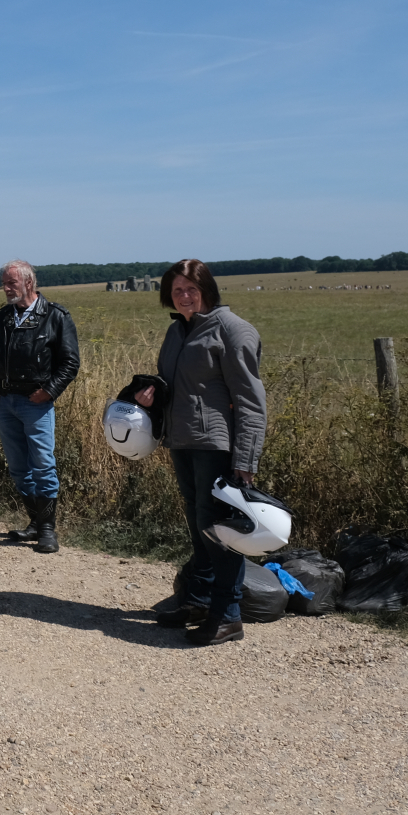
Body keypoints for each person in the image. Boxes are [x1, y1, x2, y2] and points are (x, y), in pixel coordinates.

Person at [130, 259, 268, 647]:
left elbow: (251, 401)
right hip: (182, 440)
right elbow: (175, 385)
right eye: (177, 290)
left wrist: (246, 460)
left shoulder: (233, 330)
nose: (185, 296)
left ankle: (228, 616)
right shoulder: (177, 330)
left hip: (216, 445)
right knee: (199, 526)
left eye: (191, 288)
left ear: (207, 289)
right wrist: (150, 395)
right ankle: (198, 601)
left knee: (220, 531)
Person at [0, 260, 81, 553]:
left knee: (43, 465)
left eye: (11, 283)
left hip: (36, 404)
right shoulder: (4, 317)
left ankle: (48, 530)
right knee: (18, 467)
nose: (6, 288)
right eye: (4, 283)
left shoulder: (56, 316)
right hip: (5, 403)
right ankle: (36, 522)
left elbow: (70, 362)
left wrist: (49, 391)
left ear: (28, 283)